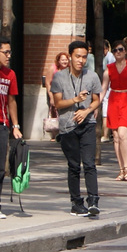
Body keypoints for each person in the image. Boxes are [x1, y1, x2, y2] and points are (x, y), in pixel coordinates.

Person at [51, 41, 102, 217]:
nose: (81, 60)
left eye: (84, 57)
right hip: (67, 126)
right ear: (70, 56)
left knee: (89, 163)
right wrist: (75, 100)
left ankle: (93, 200)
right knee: (73, 166)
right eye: (77, 56)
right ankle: (76, 202)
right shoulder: (59, 77)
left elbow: (97, 99)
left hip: (87, 124)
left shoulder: (92, 76)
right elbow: (57, 103)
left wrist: (87, 110)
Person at [100, 40, 127, 182]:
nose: (117, 52)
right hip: (113, 100)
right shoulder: (109, 68)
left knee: (123, 135)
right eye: (115, 50)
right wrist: (95, 105)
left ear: (126, 52)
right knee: (116, 137)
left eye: (120, 50)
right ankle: (121, 170)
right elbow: (103, 88)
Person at [0, 37, 22, 219]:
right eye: (6, 52)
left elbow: (12, 101)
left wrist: (15, 125)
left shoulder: (9, 74)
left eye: (10, 52)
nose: (9, 56)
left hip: (1, 125)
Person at [45, 52, 70, 140]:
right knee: (54, 113)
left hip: (65, 95)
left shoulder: (69, 69)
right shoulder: (53, 68)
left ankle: (63, 133)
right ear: (58, 61)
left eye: (66, 60)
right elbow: (47, 83)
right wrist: (51, 97)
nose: (64, 62)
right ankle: (54, 134)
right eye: (62, 60)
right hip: (54, 94)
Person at [101, 40, 116, 142]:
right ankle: (107, 134)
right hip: (108, 87)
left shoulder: (110, 57)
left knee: (106, 112)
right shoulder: (106, 57)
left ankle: (106, 134)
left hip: (109, 88)